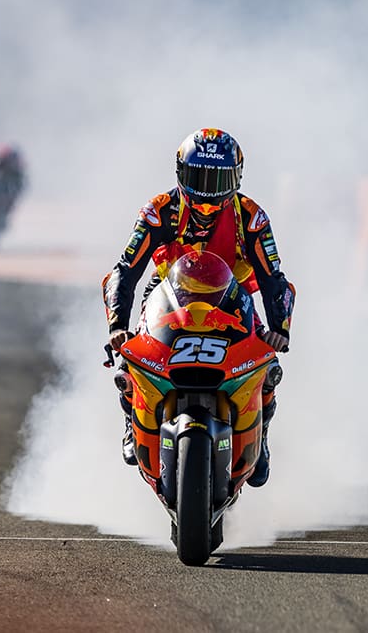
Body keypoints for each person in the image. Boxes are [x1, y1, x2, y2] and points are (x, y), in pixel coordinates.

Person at [102, 128, 295, 487]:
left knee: (267, 366)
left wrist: (278, 330)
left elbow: (274, 279)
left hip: (233, 299)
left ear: (236, 178)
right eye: (198, 178)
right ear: (180, 173)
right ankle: (132, 422)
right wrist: (117, 327)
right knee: (130, 357)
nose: (207, 194)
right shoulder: (158, 211)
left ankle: (261, 436)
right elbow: (124, 271)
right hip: (167, 295)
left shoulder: (252, 218)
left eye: (217, 180)